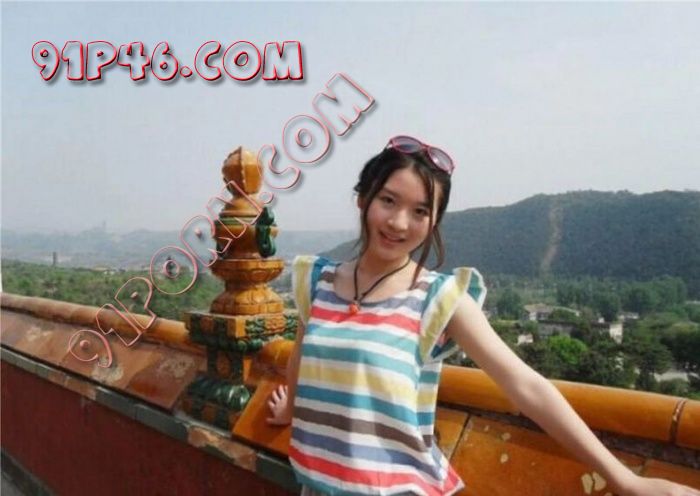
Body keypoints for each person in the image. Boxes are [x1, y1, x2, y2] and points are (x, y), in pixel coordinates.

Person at [266, 135, 700, 496]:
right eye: (388, 200)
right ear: (363, 199)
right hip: (316, 482)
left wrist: (625, 480)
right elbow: (305, 355)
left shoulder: (439, 298)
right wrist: (290, 409)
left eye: (420, 211)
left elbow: (526, 386)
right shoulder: (317, 281)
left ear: (434, 222)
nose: (399, 222)